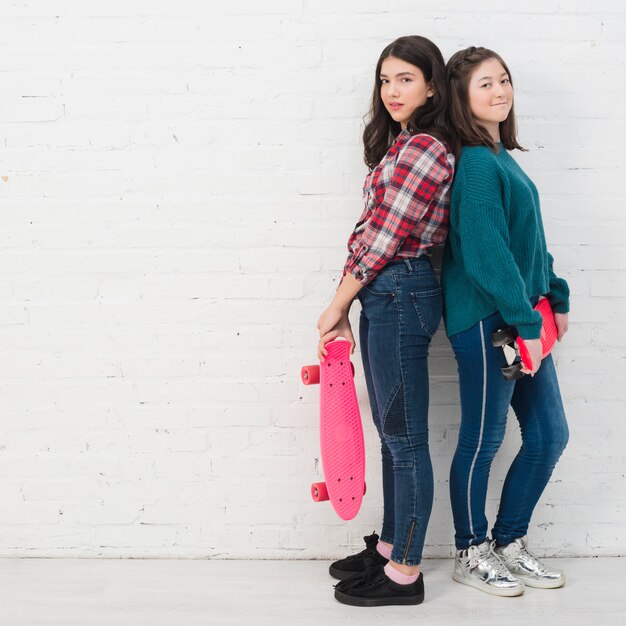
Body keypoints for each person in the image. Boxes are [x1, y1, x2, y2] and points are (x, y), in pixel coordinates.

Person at [315, 35, 455, 607]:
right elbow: (370, 231)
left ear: (430, 85)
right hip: (387, 292)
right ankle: (393, 546)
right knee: (393, 434)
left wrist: (336, 303)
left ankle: (406, 572)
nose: (392, 90)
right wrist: (353, 296)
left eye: (405, 79)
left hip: (400, 290)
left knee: (405, 437)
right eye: (385, 79)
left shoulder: (427, 148)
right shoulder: (402, 144)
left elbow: (384, 239)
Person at [442, 46, 570, 597]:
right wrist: (525, 320)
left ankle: (508, 542)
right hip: (486, 318)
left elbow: (526, 243)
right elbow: (487, 253)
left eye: (504, 80)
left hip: (519, 315)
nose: (499, 91)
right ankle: (470, 552)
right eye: (485, 84)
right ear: (462, 98)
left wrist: (554, 294)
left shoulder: (500, 156)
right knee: (484, 437)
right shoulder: (474, 162)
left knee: (548, 434)